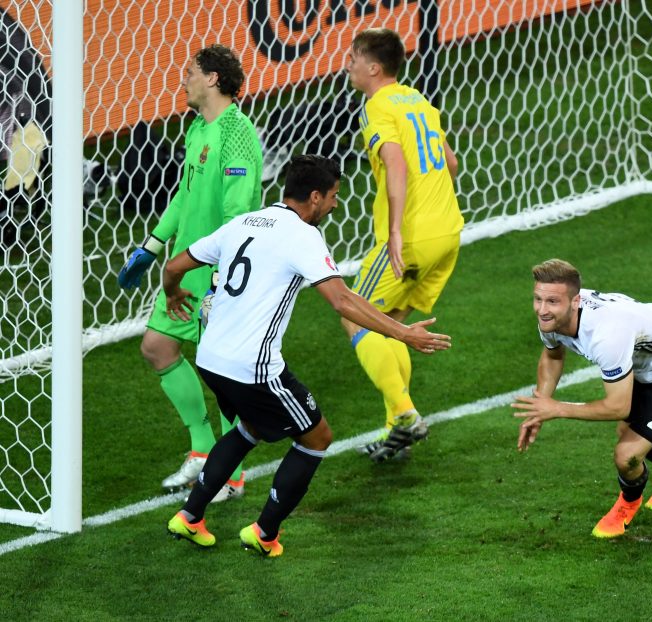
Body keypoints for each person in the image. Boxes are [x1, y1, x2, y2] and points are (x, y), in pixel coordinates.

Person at [163, 155, 451, 556]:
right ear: (314, 197)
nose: (335, 205)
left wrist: (173, 292)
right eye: (332, 196)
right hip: (253, 367)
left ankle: (190, 517)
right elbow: (342, 300)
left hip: (211, 358)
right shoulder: (301, 235)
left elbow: (175, 265)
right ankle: (264, 534)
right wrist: (404, 333)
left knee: (251, 426)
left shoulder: (244, 222)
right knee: (317, 437)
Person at [116, 44, 263, 500]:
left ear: (214, 79)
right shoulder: (198, 130)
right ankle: (202, 452)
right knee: (157, 346)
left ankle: (231, 476)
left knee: (220, 374)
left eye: (191, 72)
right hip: (185, 267)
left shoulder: (237, 133)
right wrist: (151, 246)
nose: (183, 80)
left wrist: (222, 277)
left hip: (220, 269)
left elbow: (238, 211)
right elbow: (184, 194)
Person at [512, 259, 652, 538]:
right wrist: (540, 405)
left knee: (626, 454)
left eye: (552, 301)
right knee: (633, 432)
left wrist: (557, 408)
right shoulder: (552, 315)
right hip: (639, 365)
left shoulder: (607, 336)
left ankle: (628, 503)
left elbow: (617, 406)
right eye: (538, 299)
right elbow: (553, 355)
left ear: (575, 301)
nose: (542, 309)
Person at [342, 28, 464, 462]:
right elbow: (449, 163)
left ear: (374, 68)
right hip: (448, 232)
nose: (348, 63)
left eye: (354, 57)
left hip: (410, 237)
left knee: (353, 312)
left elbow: (395, 162)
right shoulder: (418, 100)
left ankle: (405, 412)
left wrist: (395, 230)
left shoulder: (377, 106)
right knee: (392, 322)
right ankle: (397, 429)